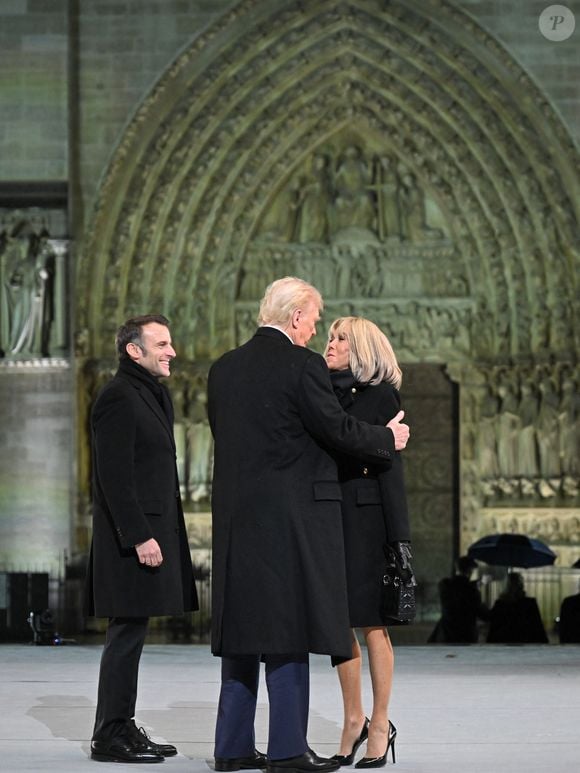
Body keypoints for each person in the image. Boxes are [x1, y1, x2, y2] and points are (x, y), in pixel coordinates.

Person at [207, 277, 410, 773]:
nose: (316, 332)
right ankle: (287, 750)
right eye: (315, 322)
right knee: (287, 630)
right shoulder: (302, 365)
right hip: (291, 519)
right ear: (296, 316)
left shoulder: (223, 369)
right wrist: (386, 436)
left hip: (235, 519)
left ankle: (231, 749)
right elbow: (334, 427)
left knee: (242, 633)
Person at [84, 314, 198, 763]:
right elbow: (112, 478)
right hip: (128, 541)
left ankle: (122, 725)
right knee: (125, 635)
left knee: (132, 633)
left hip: (148, 532)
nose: (172, 351)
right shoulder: (117, 396)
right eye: (163, 344)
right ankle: (109, 734)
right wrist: (138, 537)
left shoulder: (150, 394)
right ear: (135, 350)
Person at [323, 316, 413, 769]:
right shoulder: (322, 391)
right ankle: (352, 718)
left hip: (367, 518)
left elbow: (389, 471)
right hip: (327, 515)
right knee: (338, 623)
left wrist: (399, 537)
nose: (331, 345)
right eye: (330, 337)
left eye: (341, 339)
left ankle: (380, 722)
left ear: (362, 349)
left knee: (372, 623)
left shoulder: (381, 396)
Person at [428, 556, 489, 644]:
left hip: (446, 634)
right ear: (470, 571)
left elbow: (460, 586)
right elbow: (481, 614)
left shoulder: (444, 585)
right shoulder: (472, 591)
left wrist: (478, 583)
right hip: (465, 636)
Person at [486, 572, 548, 644]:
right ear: (521, 586)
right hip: (525, 643)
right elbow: (537, 627)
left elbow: (494, 629)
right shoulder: (529, 603)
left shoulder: (501, 604)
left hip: (504, 643)